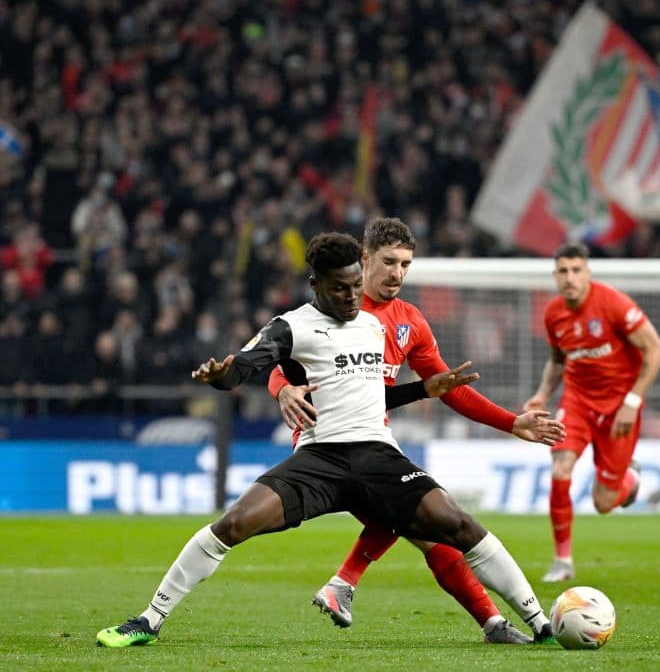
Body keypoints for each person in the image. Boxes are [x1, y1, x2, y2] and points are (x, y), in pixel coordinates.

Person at [96, 232, 555, 647]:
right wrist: (224, 377)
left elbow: (370, 395)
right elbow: (252, 365)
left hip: (376, 454)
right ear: (316, 285)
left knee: (456, 524)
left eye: (357, 286)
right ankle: (149, 621)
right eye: (342, 288)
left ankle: (541, 626)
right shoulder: (291, 327)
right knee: (234, 522)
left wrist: (425, 390)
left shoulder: (378, 325)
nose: (354, 296)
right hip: (320, 458)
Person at [268, 218, 565, 644]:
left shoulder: (411, 321)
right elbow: (277, 366)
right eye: (389, 262)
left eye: (406, 264)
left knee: (433, 534)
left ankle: (491, 623)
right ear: (364, 260)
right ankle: (344, 582)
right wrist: (283, 391)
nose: (398, 273)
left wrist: (512, 422)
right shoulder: (334, 310)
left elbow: (448, 389)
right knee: (417, 512)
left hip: (374, 437)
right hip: (327, 441)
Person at [523, 242, 660, 583]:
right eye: (563, 271)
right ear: (555, 275)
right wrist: (542, 394)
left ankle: (628, 478)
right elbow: (559, 359)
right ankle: (562, 561)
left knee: (603, 502)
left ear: (587, 272)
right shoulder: (553, 312)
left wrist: (632, 403)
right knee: (560, 469)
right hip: (577, 402)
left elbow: (656, 351)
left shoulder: (613, 303)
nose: (569, 278)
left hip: (620, 406)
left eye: (576, 270)